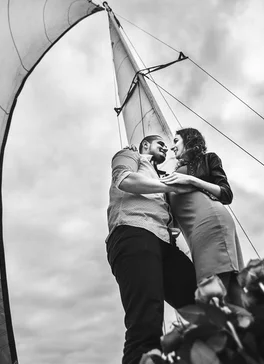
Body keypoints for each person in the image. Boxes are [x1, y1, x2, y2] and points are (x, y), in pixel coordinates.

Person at [106, 134, 198, 364]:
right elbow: (124, 179)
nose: (166, 149)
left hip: (165, 244)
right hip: (132, 232)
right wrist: (172, 185)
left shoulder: (163, 177)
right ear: (145, 145)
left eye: (168, 147)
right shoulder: (130, 155)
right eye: (161, 144)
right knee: (146, 324)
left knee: (204, 307)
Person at [160, 127, 245, 304]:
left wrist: (191, 180)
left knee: (216, 291)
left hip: (212, 223)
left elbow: (226, 194)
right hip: (195, 234)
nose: (171, 147)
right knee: (227, 293)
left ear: (189, 140)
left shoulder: (208, 159)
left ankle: (237, 329)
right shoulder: (171, 174)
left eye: (176, 141)